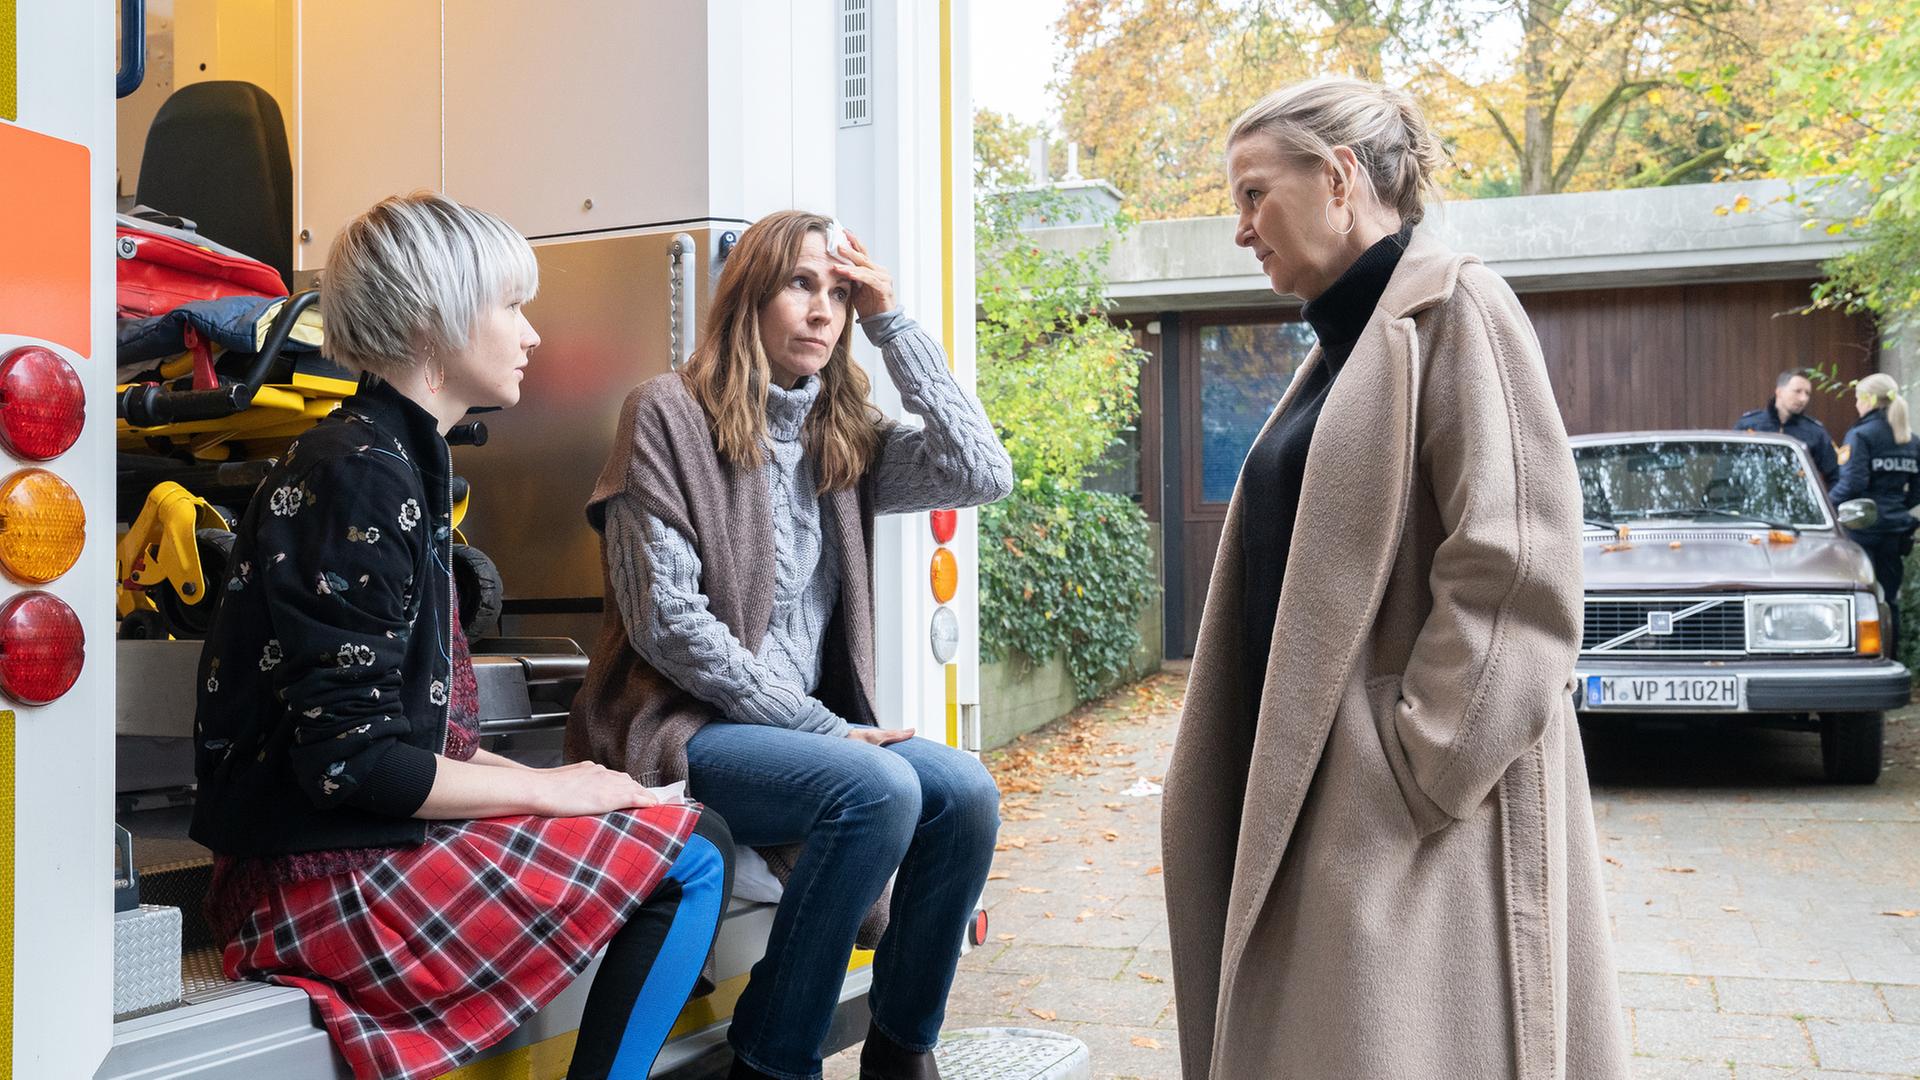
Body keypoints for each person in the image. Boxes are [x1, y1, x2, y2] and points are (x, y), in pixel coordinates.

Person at [188, 192, 733, 1080]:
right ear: (432, 323)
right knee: (696, 854)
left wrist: (553, 780)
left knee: (668, 823)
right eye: (511, 306)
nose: (533, 336)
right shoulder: (362, 475)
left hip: (340, 853)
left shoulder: (384, 458)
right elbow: (356, 765)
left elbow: (403, 744)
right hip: (314, 881)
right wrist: (554, 795)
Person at [1158, 78, 1629, 1079]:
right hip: (1315, 788)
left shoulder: (1460, 311)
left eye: (1253, 194)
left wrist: (1415, 768)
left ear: (1336, 181)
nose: (1241, 229)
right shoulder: (1343, 348)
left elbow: (1519, 572)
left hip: (1411, 822)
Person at [568, 209, 1013, 1080]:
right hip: (680, 727)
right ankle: (772, 1058)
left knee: (966, 792)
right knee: (878, 787)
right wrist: (822, 727)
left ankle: (900, 1046)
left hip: (793, 733)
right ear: (750, 296)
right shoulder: (665, 412)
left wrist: (893, 324)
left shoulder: (840, 434)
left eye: (840, 294)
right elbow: (667, 621)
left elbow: (980, 470)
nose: (824, 311)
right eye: (802, 285)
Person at [1829, 371, 1919, 651]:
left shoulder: (1861, 435)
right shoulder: (1911, 439)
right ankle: (1892, 658)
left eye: (1858, 398)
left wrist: (1826, 505)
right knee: (1889, 598)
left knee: (1860, 597)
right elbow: (1917, 490)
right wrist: (1895, 509)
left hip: (1863, 529)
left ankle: (1863, 658)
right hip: (1895, 530)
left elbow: (1853, 483)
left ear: (1868, 400)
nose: (1856, 404)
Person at [1737, 368, 1840, 486]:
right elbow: (1729, 467)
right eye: (1797, 391)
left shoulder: (1815, 433)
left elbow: (1836, 476)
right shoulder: (1749, 425)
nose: (1803, 399)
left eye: (1807, 393)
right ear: (1779, 392)